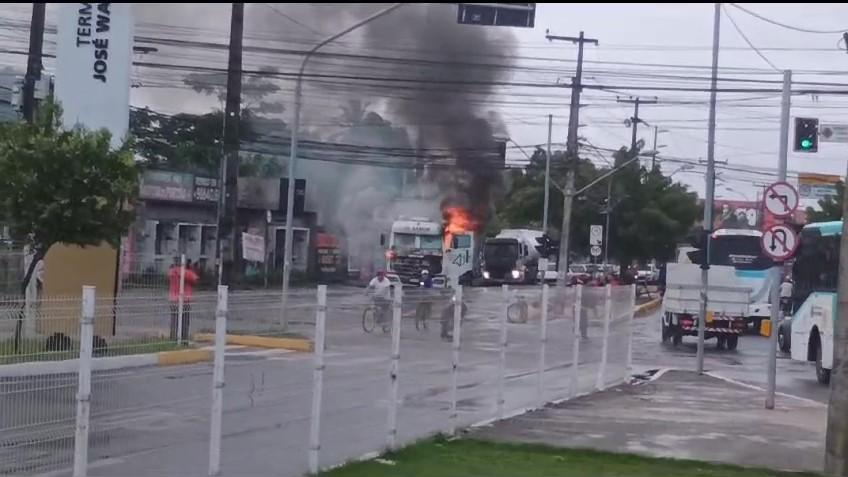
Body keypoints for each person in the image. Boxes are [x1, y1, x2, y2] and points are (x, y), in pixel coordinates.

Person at [168, 257, 199, 343]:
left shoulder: (171, 271)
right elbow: (195, 279)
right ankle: (184, 340)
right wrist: (192, 269)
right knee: (185, 322)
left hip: (173, 300)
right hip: (184, 300)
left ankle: (173, 339)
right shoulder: (185, 272)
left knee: (174, 321)